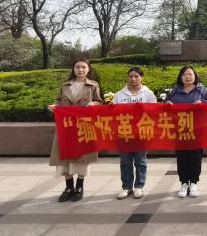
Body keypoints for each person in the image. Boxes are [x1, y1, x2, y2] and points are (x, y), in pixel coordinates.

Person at [48, 58, 103, 202]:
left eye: (84, 67)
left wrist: (94, 104)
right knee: (64, 156)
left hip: (83, 125)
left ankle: (79, 186)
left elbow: (99, 102)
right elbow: (59, 101)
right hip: (66, 126)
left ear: (88, 69)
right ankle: (68, 187)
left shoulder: (93, 86)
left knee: (82, 157)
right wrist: (54, 106)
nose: (80, 70)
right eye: (77, 67)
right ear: (73, 69)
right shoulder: (65, 85)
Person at [165, 66, 207, 198]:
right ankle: (183, 183)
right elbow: (165, 105)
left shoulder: (202, 90)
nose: (188, 77)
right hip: (180, 130)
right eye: (185, 74)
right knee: (181, 157)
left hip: (197, 130)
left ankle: (194, 182)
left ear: (195, 76)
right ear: (180, 77)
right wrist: (167, 103)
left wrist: (202, 102)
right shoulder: (175, 91)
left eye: (190, 74)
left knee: (195, 157)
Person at [111, 66, 157, 200]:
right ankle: (126, 187)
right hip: (124, 133)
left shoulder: (148, 94)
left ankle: (139, 186)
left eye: (136, 76)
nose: (133, 79)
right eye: (131, 76)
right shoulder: (120, 94)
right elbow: (111, 112)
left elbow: (155, 112)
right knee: (125, 162)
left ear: (142, 78)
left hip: (141, 133)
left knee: (140, 161)